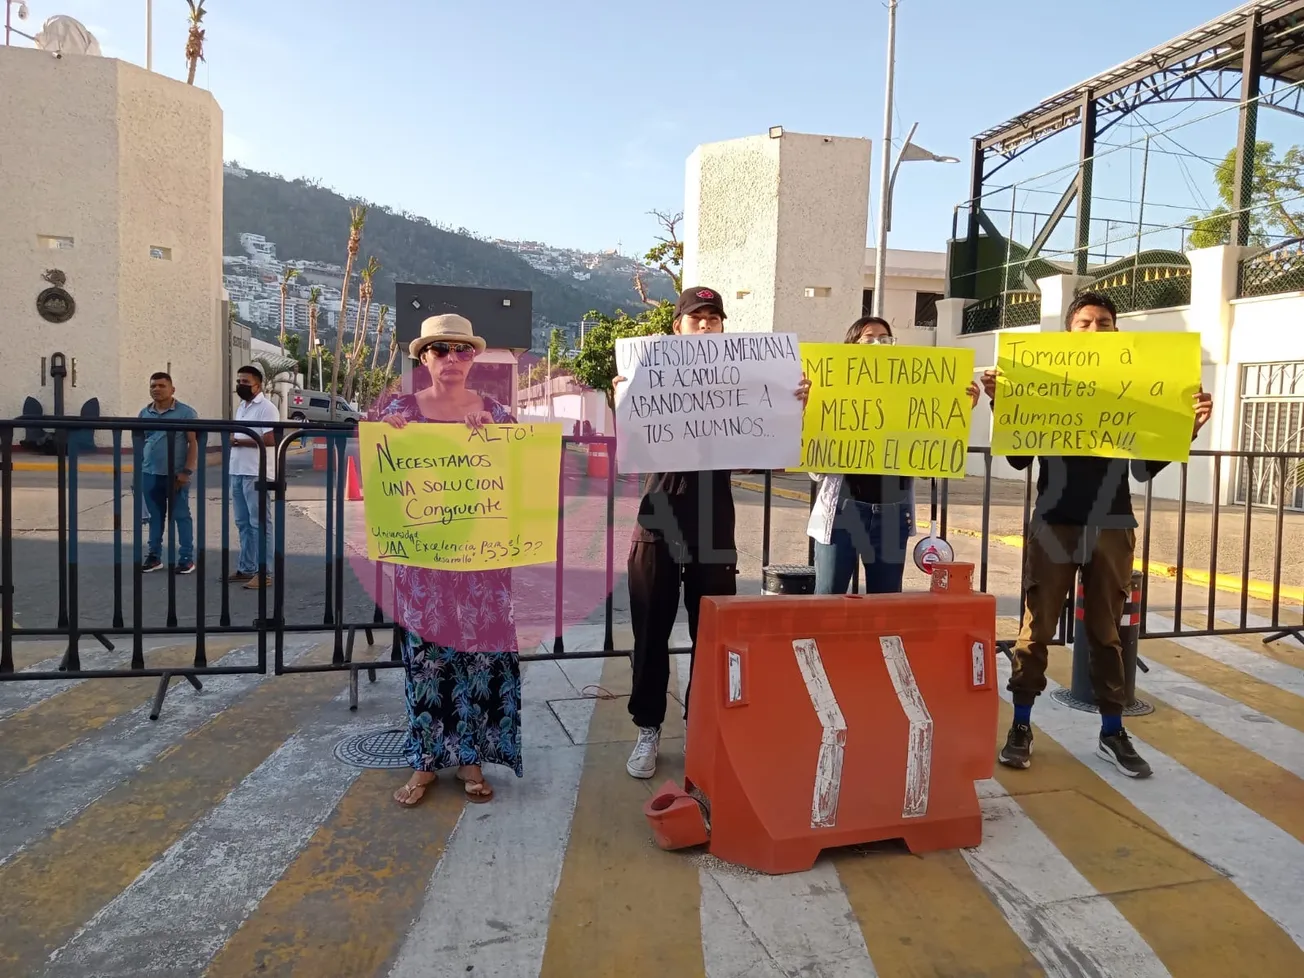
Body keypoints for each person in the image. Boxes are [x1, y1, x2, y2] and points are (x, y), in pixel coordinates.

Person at [981, 292, 1213, 778]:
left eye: (1104, 322)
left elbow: (1146, 467)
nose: (1094, 329)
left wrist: (1185, 429)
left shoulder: (1133, 389)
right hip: (1054, 522)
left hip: (1112, 522)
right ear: (1069, 333)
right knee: (1035, 631)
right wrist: (1006, 405)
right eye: (1084, 322)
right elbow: (1019, 459)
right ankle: (1021, 725)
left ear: (1116, 331)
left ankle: (1112, 731)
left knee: (1107, 634)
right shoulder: (1043, 384)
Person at [615, 287, 811, 780]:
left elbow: (764, 455)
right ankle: (648, 728)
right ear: (676, 328)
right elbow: (627, 447)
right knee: (650, 633)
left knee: (713, 636)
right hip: (656, 520)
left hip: (713, 522)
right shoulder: (646, 375)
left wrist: (792, 409)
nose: (705, 324)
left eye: (713, 318)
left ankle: (705, 727)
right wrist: (624, 398)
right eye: (695, 317)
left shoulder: (742, 383)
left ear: (723, 327)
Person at [381, 314, 521, 807]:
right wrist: (388, 437)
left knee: (480, 660)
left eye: (462, 349)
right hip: (423, 565)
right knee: (425, 661)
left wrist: (494, 442)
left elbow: (520, 482)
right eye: (441, 350)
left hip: (483, 564)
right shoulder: (397, 412)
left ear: (474, 357)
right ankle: (423, 762)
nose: (452, 359)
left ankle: (471, 760)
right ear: (424, 358)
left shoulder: (500, 415)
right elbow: (379, 483)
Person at [808, 316, 980, 595]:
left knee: (885, 603)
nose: (878, 343)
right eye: (869, 338)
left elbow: (928, 460)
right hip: (842, 511)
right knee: (828, 598)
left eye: (885, 338)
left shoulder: (909, 392)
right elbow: (815, 471)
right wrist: (806, 410)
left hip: (892, 513)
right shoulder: (830, 391)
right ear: (851, 345)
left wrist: (959, 411)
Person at [136, 372, 199, 575]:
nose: (157, 389)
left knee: (181, 516)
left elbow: (193, 443)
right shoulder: (145, 414)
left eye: (162, 385)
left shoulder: (186, 413)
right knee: (155, 517)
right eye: (153, 385)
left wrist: (186, 471)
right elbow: (142, 442)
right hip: (150, 474)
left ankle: (186, 559)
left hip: (176, 475)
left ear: (172, 389)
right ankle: (154, 556)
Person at [228, 365, 280, 590]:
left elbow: (270, 439)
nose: (241, 385)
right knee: (242, 523)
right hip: (237, 470)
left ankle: (264, 572)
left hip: (255, 472)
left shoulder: (266, 408)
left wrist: (240, 441)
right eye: (239, 381)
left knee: (259, 524)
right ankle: (247, 567)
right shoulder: (241, 406)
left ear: (258, 385)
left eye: (245, 382)